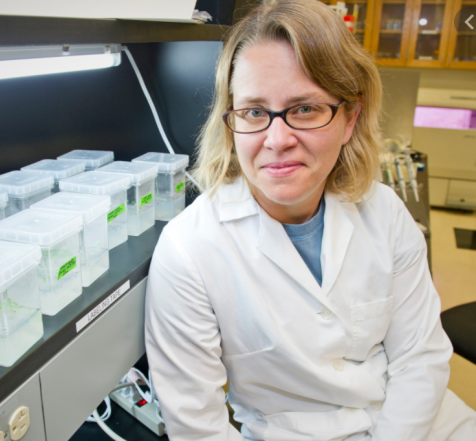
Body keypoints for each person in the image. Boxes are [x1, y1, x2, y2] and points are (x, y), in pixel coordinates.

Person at [144, 0, 476, 440]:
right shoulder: (189, 250)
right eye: (254, 112)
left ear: (349, 118)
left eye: (304, 109)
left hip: (422, 425)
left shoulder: (385, 212)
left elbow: (421, 359)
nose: (277, 140)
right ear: (230, 122)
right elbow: (197, 426)